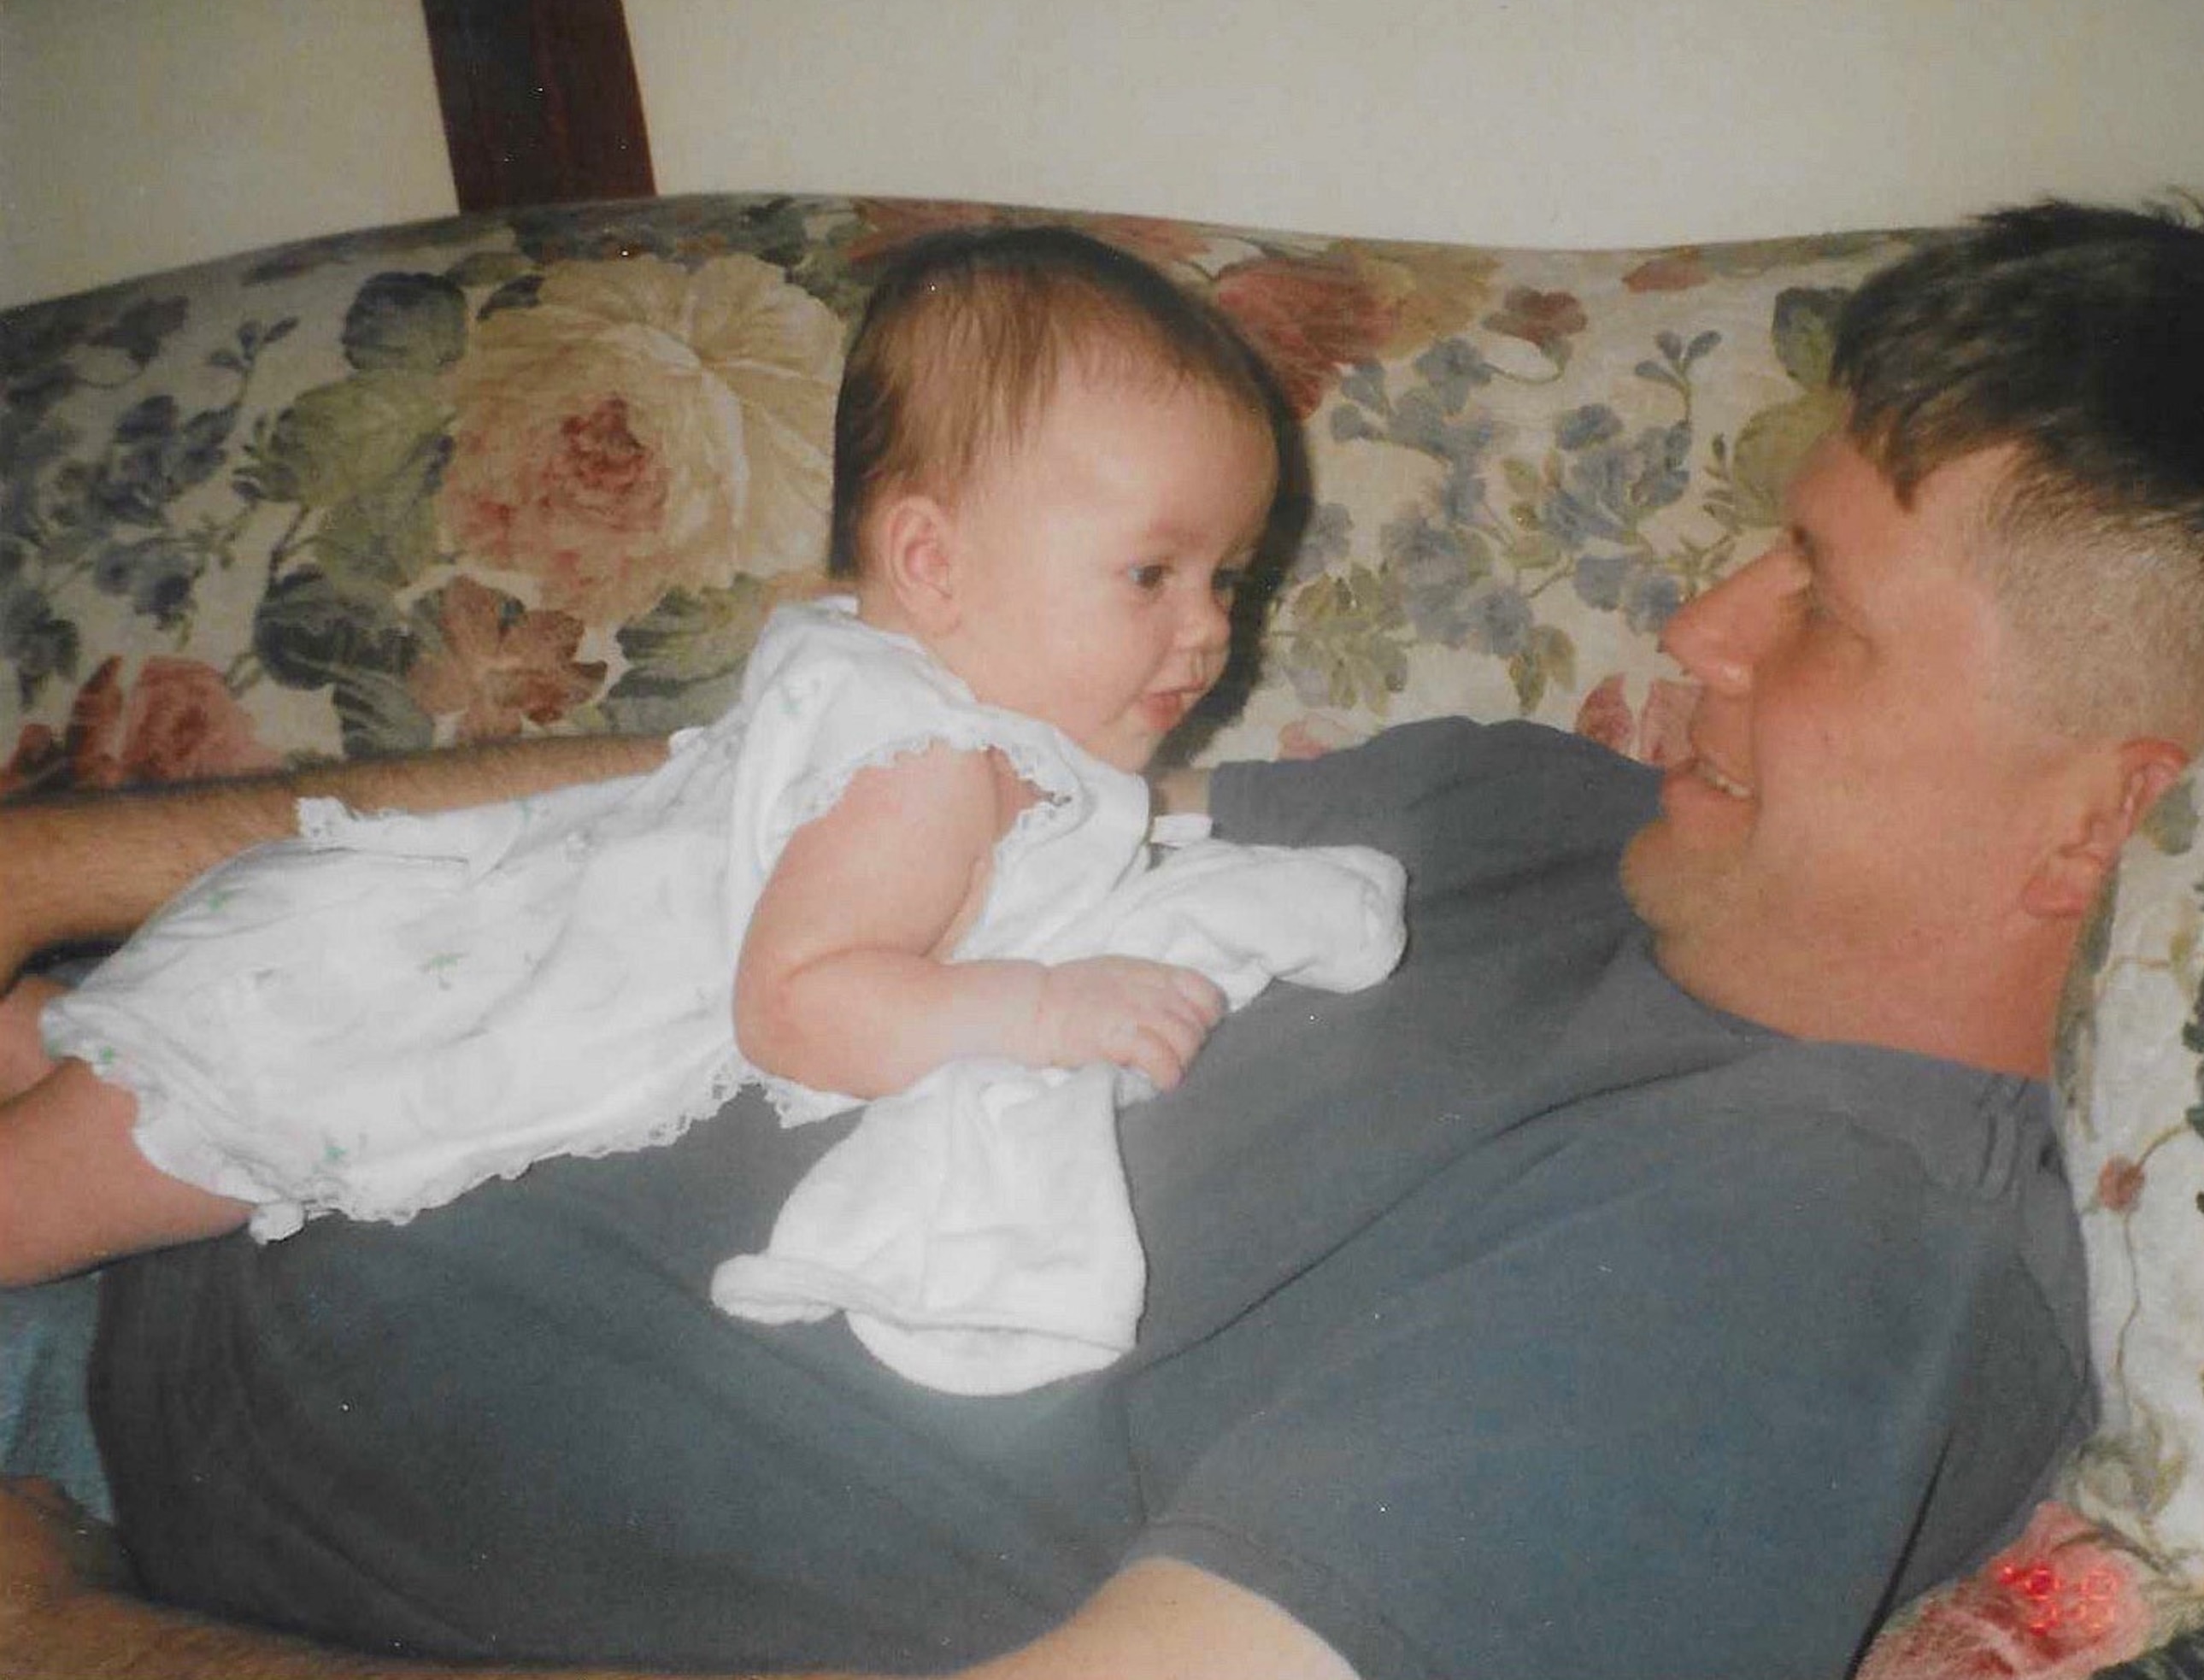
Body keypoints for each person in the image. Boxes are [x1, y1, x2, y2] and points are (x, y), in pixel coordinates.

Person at [0, 198, 2204, 1680]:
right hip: (189, 1096)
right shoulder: (1552, 814)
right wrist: (55, 867)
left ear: (2110, 821)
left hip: (112, 1431)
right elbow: (809, 793)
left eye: (1830, 608)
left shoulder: (1793, 1262)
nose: (1704, 615)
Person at [0, 224, 1407, 1395]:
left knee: (91, 1054)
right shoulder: (931, 767)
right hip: (342, 1038)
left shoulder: (898, 686)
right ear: (931, 558)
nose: (1211, 630)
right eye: (1152, 574)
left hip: (364, 959)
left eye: (1228, 576)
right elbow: (796, 1005)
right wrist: (1042, 1007)